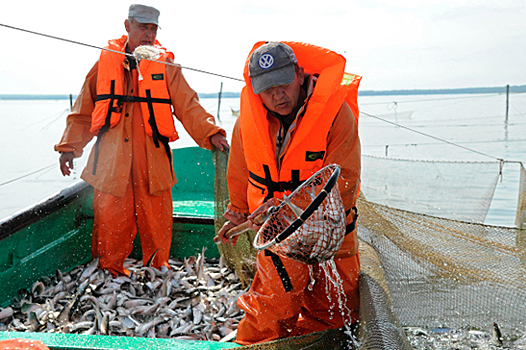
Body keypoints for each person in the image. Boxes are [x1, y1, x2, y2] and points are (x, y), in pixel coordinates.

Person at [55, 4, 228, 277]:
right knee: (111, 218)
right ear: (127, 26)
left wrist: (211, 132)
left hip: (153, 159)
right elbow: (83, 110)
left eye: (153, 28)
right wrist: (68, 148)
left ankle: (158, 270)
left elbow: (188, 105)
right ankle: (109, 271)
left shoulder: (167, 65)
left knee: (156, 219)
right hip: (112, 162)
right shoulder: (104, 64)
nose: (148, 34)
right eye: (142, 27)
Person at [216, 41, 362, 345]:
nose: (277, 95)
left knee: (333, 315)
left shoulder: (337, 115)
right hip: (278, 241)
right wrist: (237, 214)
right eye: (267, 89)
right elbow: (240, 175)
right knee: (269, 313)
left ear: (298, 74)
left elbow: (344, 182)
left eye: (283, 84)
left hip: (332, 234)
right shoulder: (247, 123)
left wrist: (287, 210)